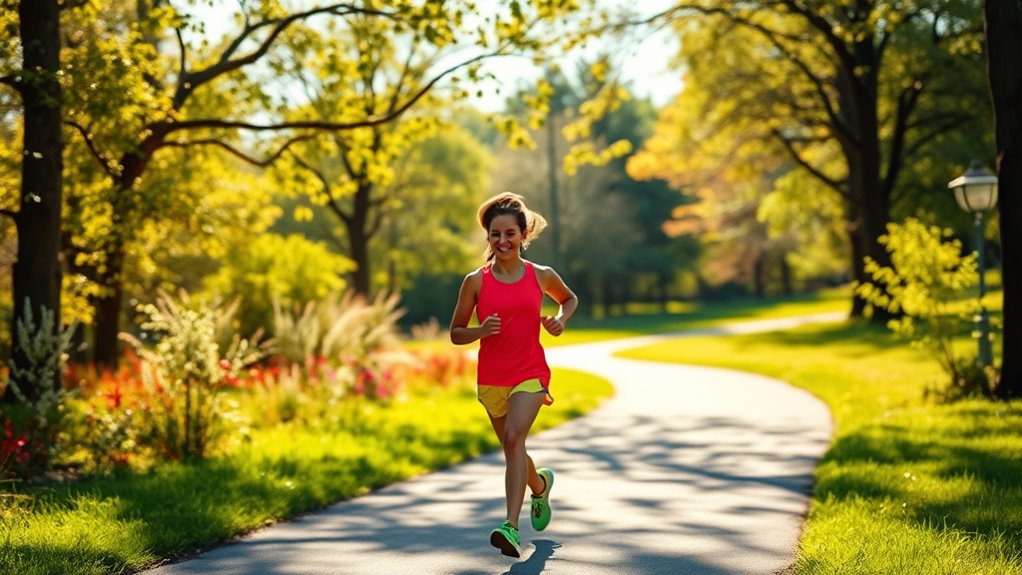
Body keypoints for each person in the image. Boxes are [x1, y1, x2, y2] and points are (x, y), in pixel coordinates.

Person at [449, 191, 578, 558]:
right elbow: (455, 332)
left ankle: (510, 525)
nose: (502, 241)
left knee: (514, 436)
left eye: (510, 234)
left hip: (530, 373)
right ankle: (539, 487)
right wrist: (479, 331)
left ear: (523, 235)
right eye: (495, 234)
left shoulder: (541, 276)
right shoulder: (475, 281)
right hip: (491, 378)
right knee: (513, 447)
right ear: (488, 238)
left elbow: (569, 299)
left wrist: (560, 320)